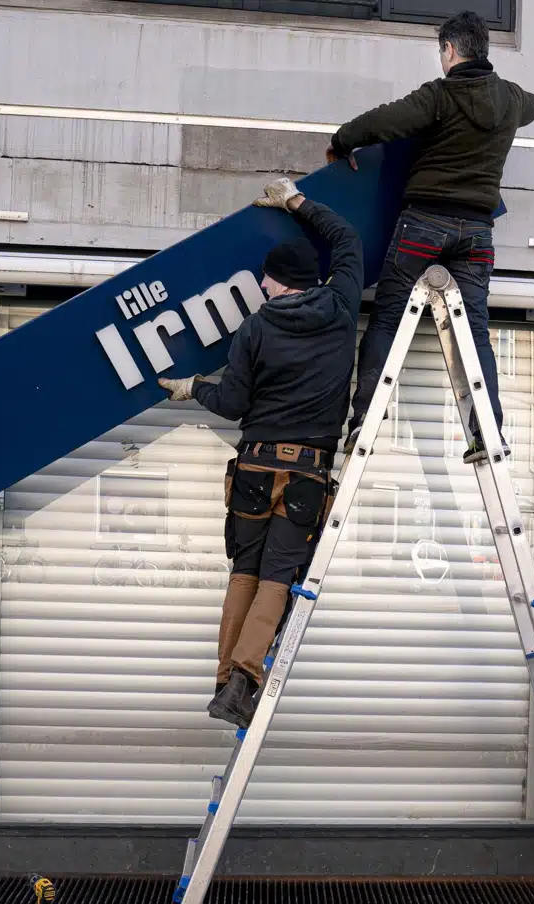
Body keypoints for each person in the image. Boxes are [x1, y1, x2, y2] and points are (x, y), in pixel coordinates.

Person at [158, 177, 362, 728]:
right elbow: (346, 240)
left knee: (244, 570)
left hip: (254, 466)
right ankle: (245, 678)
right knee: (277, 576)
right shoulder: (342, 306)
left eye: (267, 281)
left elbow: (231, 403)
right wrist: (296, 201)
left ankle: (226, 679)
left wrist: (190, 386)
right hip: (306, 475)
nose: (265, 288)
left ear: (275, 281)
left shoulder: (255, 329)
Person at [327, 10, 534, 463]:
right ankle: (488, 432)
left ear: (449, 50)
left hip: (425, 224)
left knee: (386, 320)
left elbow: (383, 122)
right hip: (477, 234)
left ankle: (363, 421)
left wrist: (342, 141)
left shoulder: (440, 96)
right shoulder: (511, 100)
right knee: (476, 332)